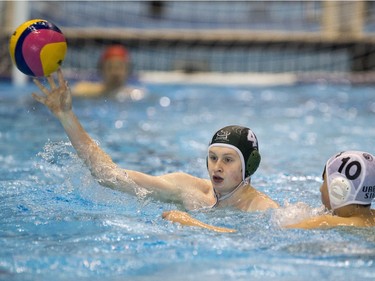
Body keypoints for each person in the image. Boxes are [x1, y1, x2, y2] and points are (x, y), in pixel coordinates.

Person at [31, 68, 278, 212]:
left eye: (228, 159)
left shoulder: (263, 210)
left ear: (250, 165)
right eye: (213, 157)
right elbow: (109, 176)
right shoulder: (188, 190)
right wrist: (66, 117)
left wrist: (194, 225)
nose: (217, 166)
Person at [163, 150, 375, 231]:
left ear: (341, 189)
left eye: (325, 182)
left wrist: (191, 222)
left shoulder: (327, 223)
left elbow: (248, 239)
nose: (321, 188)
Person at [71, 44, 137, 99]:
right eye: (110, 67)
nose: (115, 72)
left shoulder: (135, 95)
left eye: (119, 67)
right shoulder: (84, 90)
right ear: (101, 70)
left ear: (128, 70)